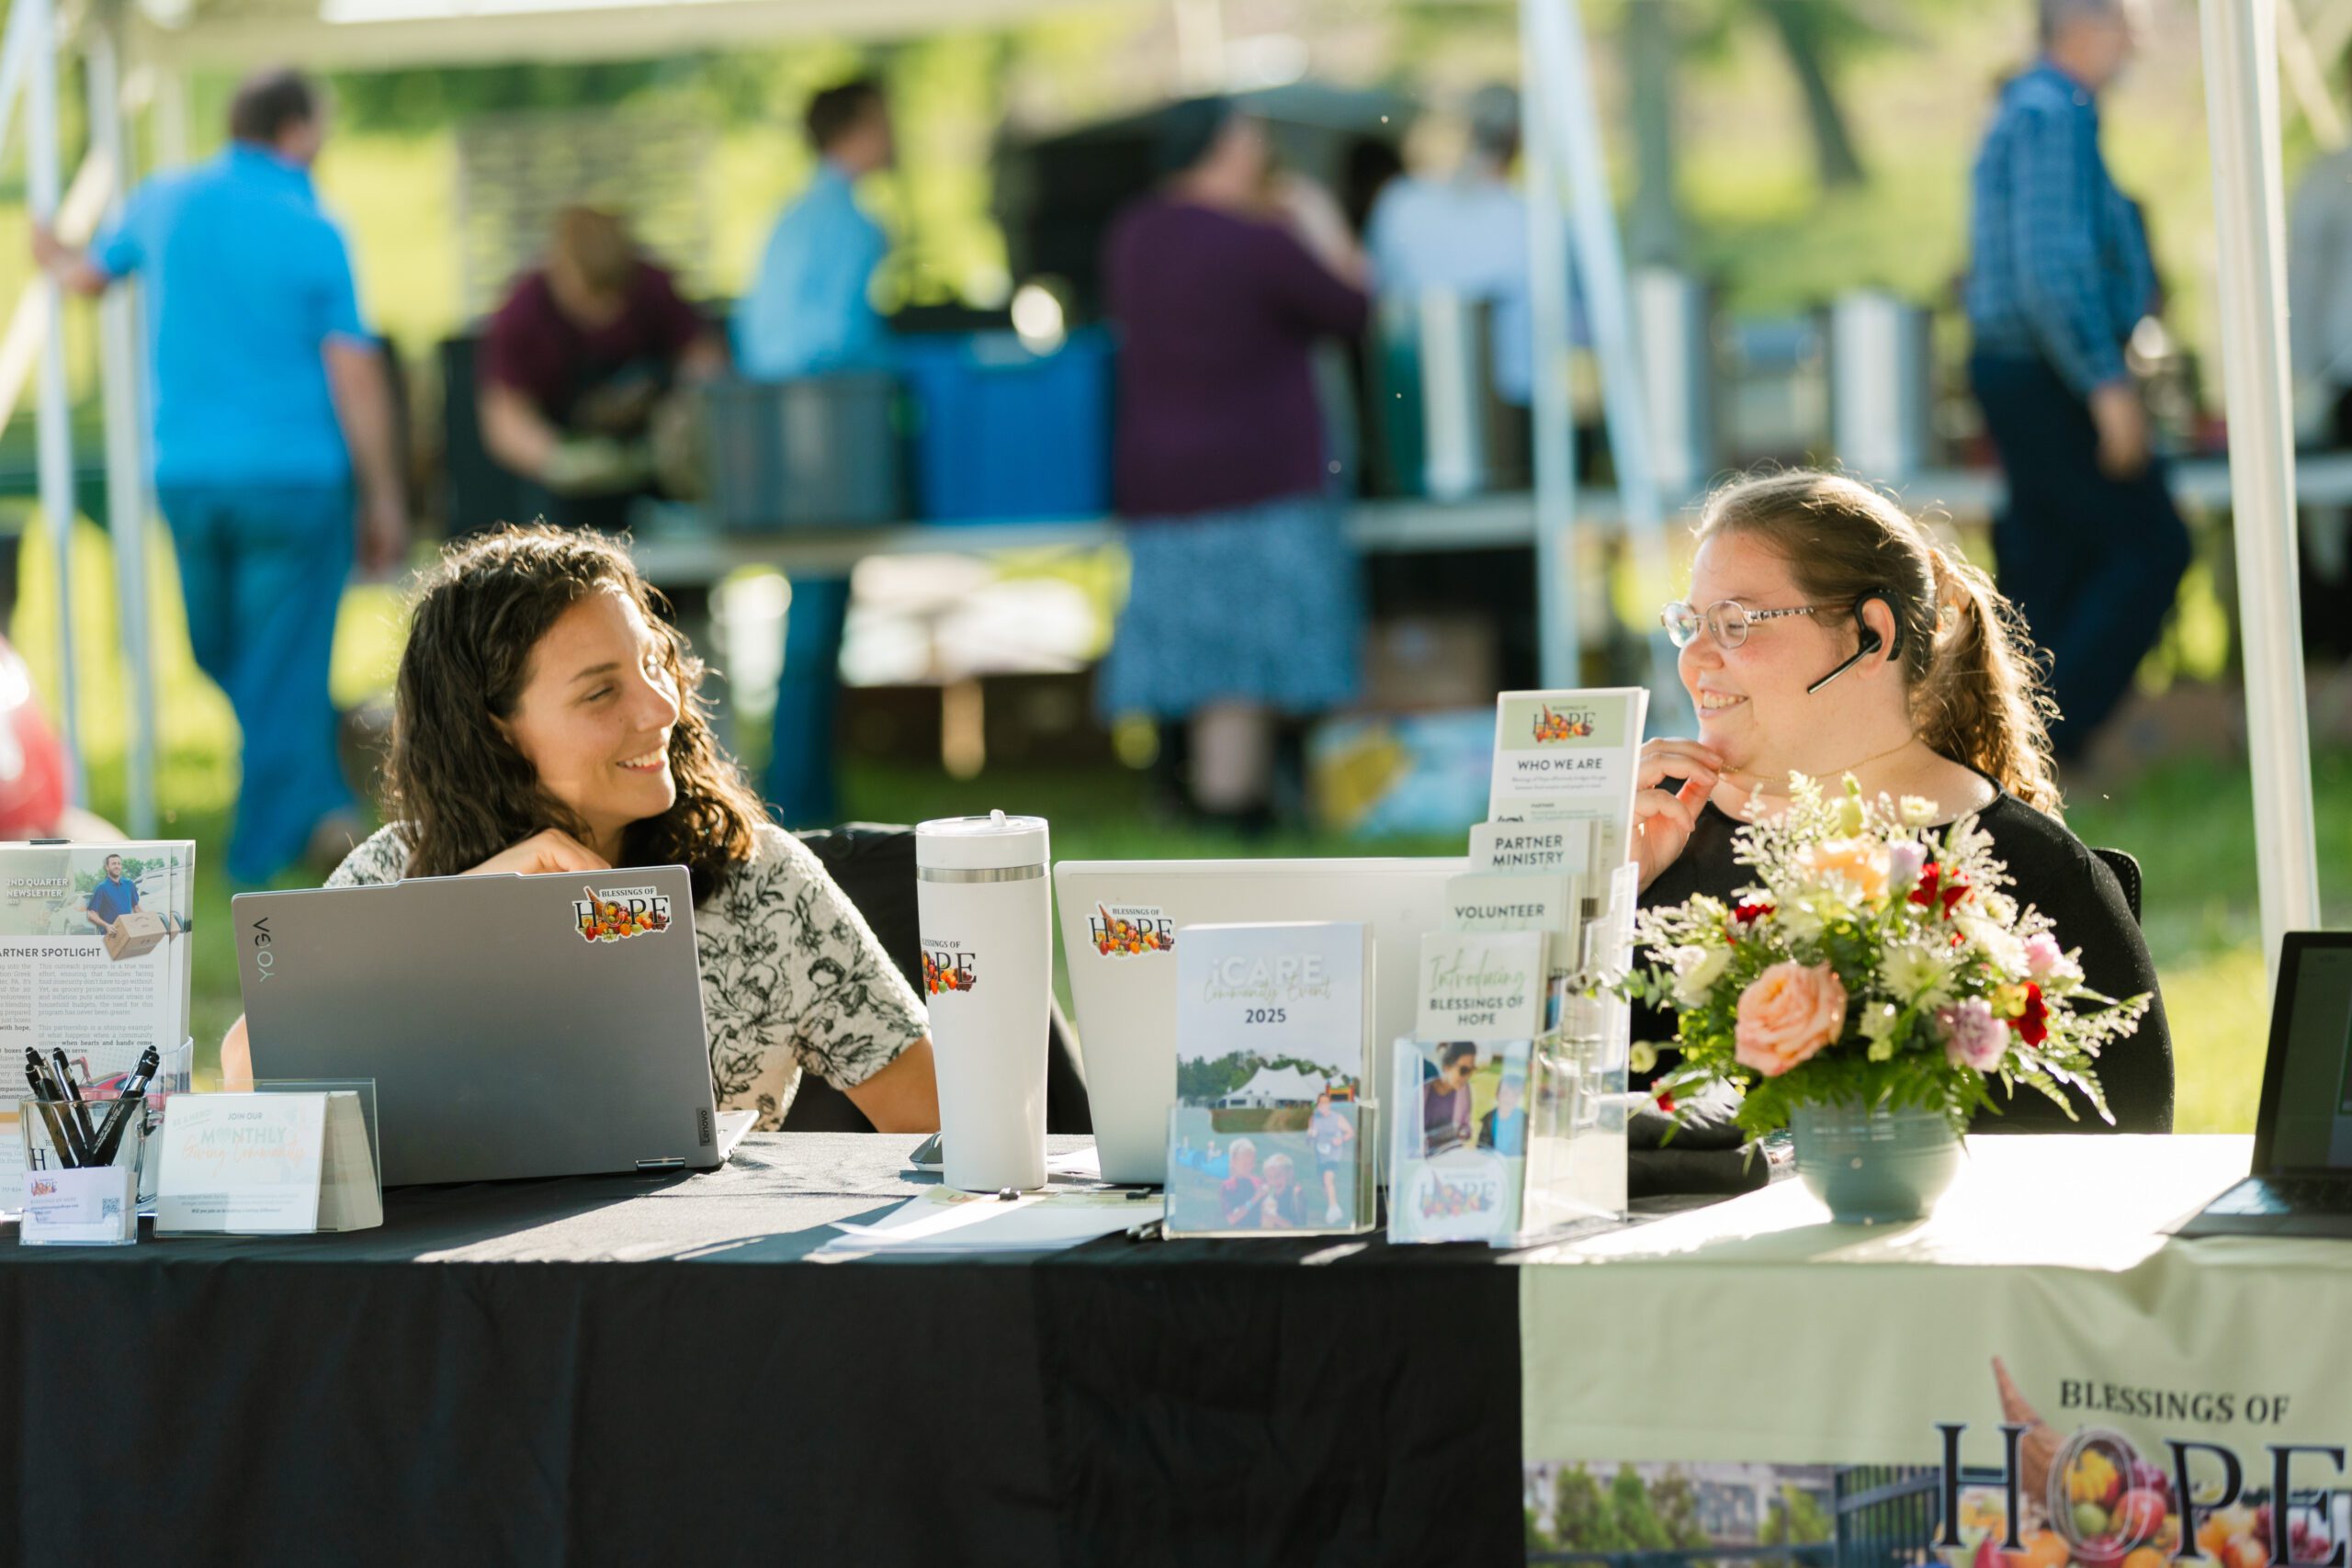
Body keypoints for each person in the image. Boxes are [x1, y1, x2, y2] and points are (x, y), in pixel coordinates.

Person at [220, 525, 938, 1132]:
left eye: (654, 663)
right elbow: (251, 1082)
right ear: (492, 732)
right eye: (602, 691)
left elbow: (942, 1123)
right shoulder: (400, 871)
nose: (661, 707)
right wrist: (467, 906)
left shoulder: (759, 879)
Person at [1631, 470, 2173, 1133]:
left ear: (1872, 633)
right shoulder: (1656, 854)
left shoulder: (2042, 878)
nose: (1694, 660)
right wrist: (1600, 898)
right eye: (1689, 624)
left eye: (1735, 623)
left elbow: (2121, 1167)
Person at [33, 67, 407, 885]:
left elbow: (86, 278)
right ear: (300, 130)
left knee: (229, 653)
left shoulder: (163, 201)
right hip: (296, 480)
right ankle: (317, 799)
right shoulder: (317, 224)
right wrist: (385, 492)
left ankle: (264, 852)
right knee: (269, 661)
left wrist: (49, 246)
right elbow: (356, 372)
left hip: (192, 476)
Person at [1100, 97, 1371, 829]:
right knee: (1253, 657)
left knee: (1197, 658)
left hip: (1161, 478)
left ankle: (1204, 796)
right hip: (1262, 477)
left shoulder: (1132, 235)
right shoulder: (1259, 239)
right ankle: (1241, 806)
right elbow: (1353, 307)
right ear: (1223, 147)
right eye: (1251, 137)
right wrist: (1318, 221)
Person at [1962, 0, 2188, 764]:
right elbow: (2051, 268)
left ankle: (2006, 759)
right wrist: (2106, 382)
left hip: (2027, 367)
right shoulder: (2054, 112)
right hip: (2047, 374)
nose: (2138, 39)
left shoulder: (2030, 107)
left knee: (2046, 569)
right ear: (2083, 23)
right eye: (2129, 21)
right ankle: (2046, 749)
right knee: (2149, 547)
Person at [736, 76, 899, 829]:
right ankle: (794, 798)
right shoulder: (845, 224)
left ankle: (799, 791)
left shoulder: (795, 217)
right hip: (826, 438)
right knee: (813, 629)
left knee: (814, 622)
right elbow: (823, 339)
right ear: (858, 128)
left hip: (796, 437)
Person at [479, 206, 728, 538]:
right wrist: (560, 460)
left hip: (658, 488)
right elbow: (505, 418)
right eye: (591, 297)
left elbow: (705, 364)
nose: (606, 313)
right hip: (567, 502)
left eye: (615, 297)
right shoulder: (522, 313)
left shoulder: (655, 288)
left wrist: (686, 421)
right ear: (561, 270)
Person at [1365, 83, 1532, 408]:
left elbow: (1371, 289)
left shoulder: (1401, 202)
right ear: (1519, 138)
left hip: (1412, 396)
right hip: (1508, 409)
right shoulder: (1535, 222)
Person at [1421, 1043, 1477, 1155]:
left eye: (1472, 1070)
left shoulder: (1464, 1090)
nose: (1467, 1077)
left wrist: (1464, 1133)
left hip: (1451, 1159)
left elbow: (1466, 1126)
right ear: (1446, 1067)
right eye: (1464, 1070)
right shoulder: (1422, 1092)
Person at [1308, 1089, 1354, 1224]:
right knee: (1323, 1184)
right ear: (1317, 1105)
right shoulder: (1313, 1119)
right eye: (1321, 1104)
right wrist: (1311, 1135)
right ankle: (1332, 1209)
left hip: (1334, 1154)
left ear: (1330, 1104)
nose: (1323, 1106)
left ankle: (1334, 1208)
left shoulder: (1337, 1118)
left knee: (1328, 1179)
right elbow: (1308, 1140)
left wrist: (1341, 1140)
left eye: (1326, 1103)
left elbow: (1350, 1132)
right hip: (1320, 1155)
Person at [84, 853, 143, 936]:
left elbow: (136, 907)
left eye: (119, 864)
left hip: (128, 932)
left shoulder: (129, 884)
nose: (117, 866)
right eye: (114, 864)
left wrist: (146, 923)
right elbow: (91, 914)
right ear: (107, 867)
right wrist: (106, 926)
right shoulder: (101, 888)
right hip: (110, 935)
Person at [1477, 1072, 1526, 1156]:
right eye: (1505, 1093)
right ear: (1497, 1094)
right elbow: (1482, 1147)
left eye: (1514, 1095)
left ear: (1519, 1098)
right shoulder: (1488, 1119)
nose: (1509, 1098)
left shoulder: (1524, 1119)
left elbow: (1525, 1149)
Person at [1256, 1153, 1307, 1229]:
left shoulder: (1296, 1195)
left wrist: (1272, 1218)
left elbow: (1299, 1227)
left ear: (1289, 1174)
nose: (1274, 1181)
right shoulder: (1266, 1195)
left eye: (1278, 1175)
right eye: (1269, 1177)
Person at [1219, 1137, 1263, 1227]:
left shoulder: (1258, 1183)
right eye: (1245, 1164)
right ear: (1233, 1162)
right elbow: (1232, 1218)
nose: (1250, 1167)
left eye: (1252, 1163)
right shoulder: (1229, 1187)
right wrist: (1255, 1198)